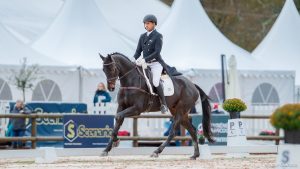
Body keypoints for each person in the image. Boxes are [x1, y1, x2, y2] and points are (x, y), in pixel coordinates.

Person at [134, 14, 181, 114]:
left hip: (156, 63)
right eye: (145, 24)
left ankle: (163, 104)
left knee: (155, 82)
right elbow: (138, 51)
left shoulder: (158, 36)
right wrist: (133, 59)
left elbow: (157, 52)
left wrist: (145, 59)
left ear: (154, 24)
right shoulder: (142, 36)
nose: (146, 25)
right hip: (144, 63)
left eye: (148, 23)